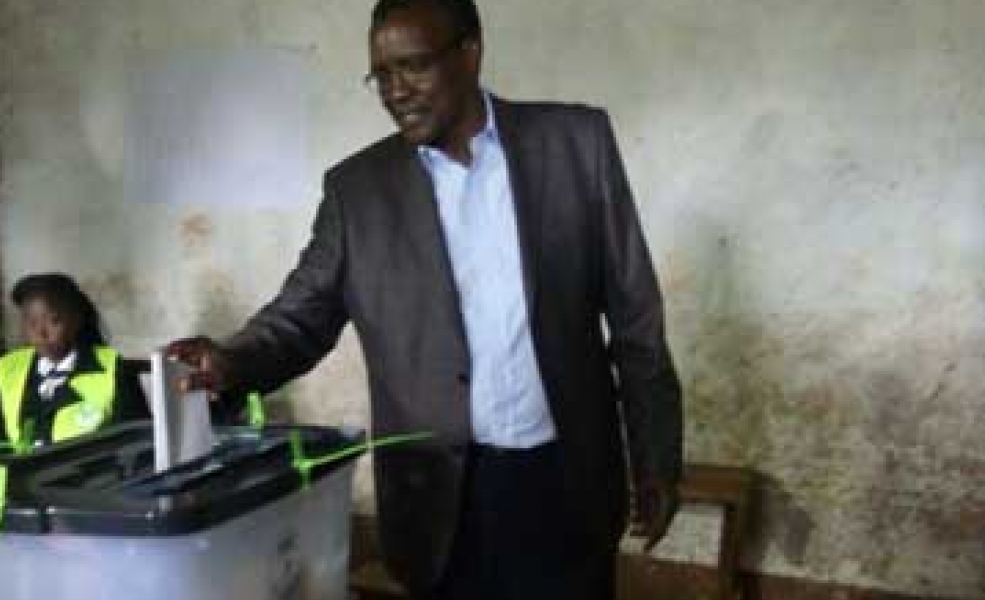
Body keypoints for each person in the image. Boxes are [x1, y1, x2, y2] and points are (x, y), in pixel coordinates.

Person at [168, 0, 683, 598]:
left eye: (412, 67)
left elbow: (635, 320)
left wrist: (655, 458)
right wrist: (231, 362)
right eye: (380, 75)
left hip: (564, 480)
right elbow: (300, 317)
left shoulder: (574, 144)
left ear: (470, 53)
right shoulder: (357, 191)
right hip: (438, 497)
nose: (395, 91)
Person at [0, 273, 148, 451]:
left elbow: (134, 443)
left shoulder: (112, 368)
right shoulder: (8, 370)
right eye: (31, 323)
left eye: (53, 321)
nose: (41, 334)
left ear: (76, 320)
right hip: (23, 477)